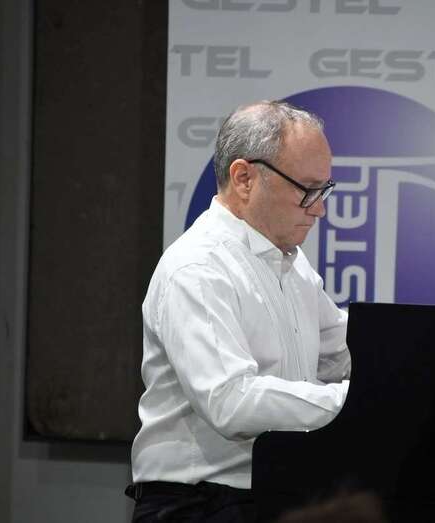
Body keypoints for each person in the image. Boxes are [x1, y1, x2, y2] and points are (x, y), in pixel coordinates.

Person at [127, 100, 351, 522]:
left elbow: (341, 350)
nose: (320, 208)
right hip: (198, 504)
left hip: (267, 493)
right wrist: (353, 402)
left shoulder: (292, 264)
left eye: (324, 189)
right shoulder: (197, 267)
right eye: (307, 189)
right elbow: (230, 401)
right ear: (244, 178)